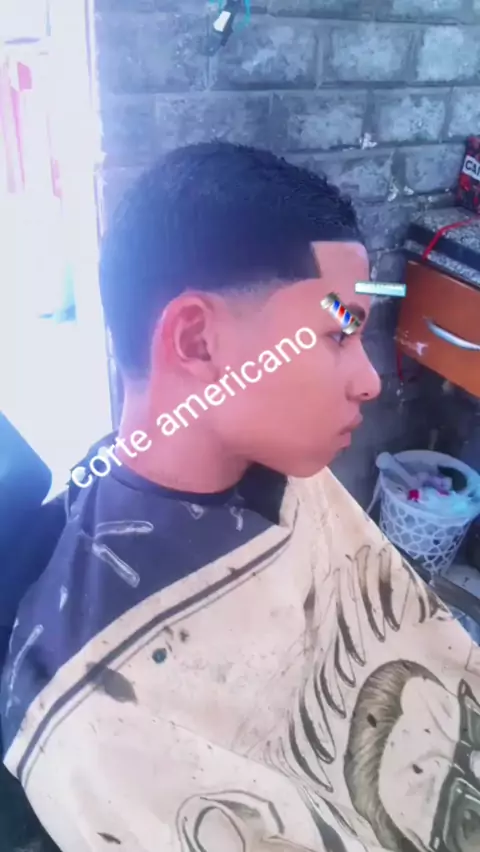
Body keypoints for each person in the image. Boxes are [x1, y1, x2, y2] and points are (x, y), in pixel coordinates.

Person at [1, 142, 480, 852]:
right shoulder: (96, 721)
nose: (371, 380)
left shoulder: (292, 476)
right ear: (197, 341)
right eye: (336, 332)